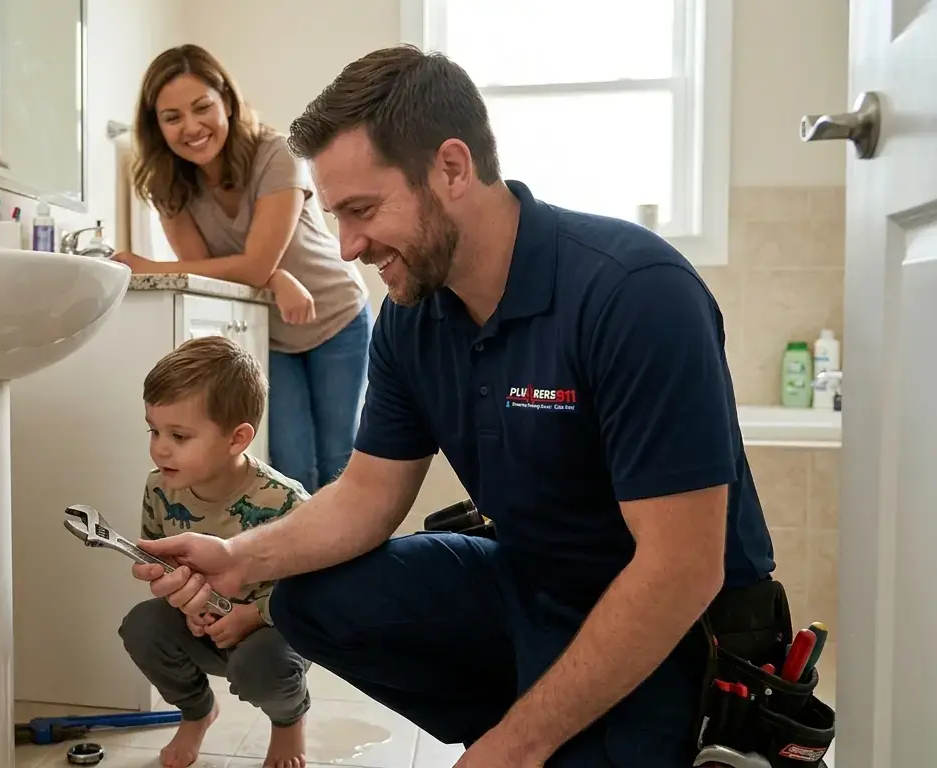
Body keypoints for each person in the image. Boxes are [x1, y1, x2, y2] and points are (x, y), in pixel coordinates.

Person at [129, 45, 778, 768]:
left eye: (364, 211)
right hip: (531, 580)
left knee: (543, 745)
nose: (348, 248)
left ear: (452, 168)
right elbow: (367, 497)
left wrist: (517, 746)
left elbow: (682, 570)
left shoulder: (635, 293)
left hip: (680, 621)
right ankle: (535, 722)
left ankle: (543, 733)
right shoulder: (414, 316)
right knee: (308, 600)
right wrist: (235, 556)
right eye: (339, 216)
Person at [116, 44, 371, 494]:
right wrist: (272, 276)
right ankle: (299, 563)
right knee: (288, 461)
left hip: (335, 315)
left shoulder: (277, 152)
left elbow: (253, 262)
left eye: (201, 108)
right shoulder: (167, 183)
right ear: (156, 126)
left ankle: (352, 565)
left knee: (338, 458)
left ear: (227, 104)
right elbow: (211, 269)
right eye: (172, 117)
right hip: (269, 326)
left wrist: (149, 266)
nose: (191, 127)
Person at [120, 335, 312, 768]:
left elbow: (317, 591)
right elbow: (160, 561)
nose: (160, 447)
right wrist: (182, 600)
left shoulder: (285, 502)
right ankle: (197, 713)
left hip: (276, 630)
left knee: (261, 667)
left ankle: (288, 722)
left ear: (237, 438)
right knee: (141, 627)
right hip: (204, 623)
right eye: (153, 430)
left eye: (179, 435)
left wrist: (252, 615)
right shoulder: (159, 487)